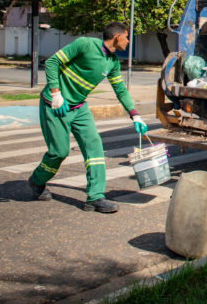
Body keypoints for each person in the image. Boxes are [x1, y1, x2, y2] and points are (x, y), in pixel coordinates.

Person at [27, 22, 147, 213]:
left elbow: (120, 89)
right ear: (117, 37)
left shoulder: (113, 61)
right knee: (59, 152)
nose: (128, 41)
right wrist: (56, 94)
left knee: (95, 147)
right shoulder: (85, 44)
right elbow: (52, 62)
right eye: (127, 37)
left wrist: (135, 115)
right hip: (55, 105)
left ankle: (95, 197)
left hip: (79, 107)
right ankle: (37, 180)